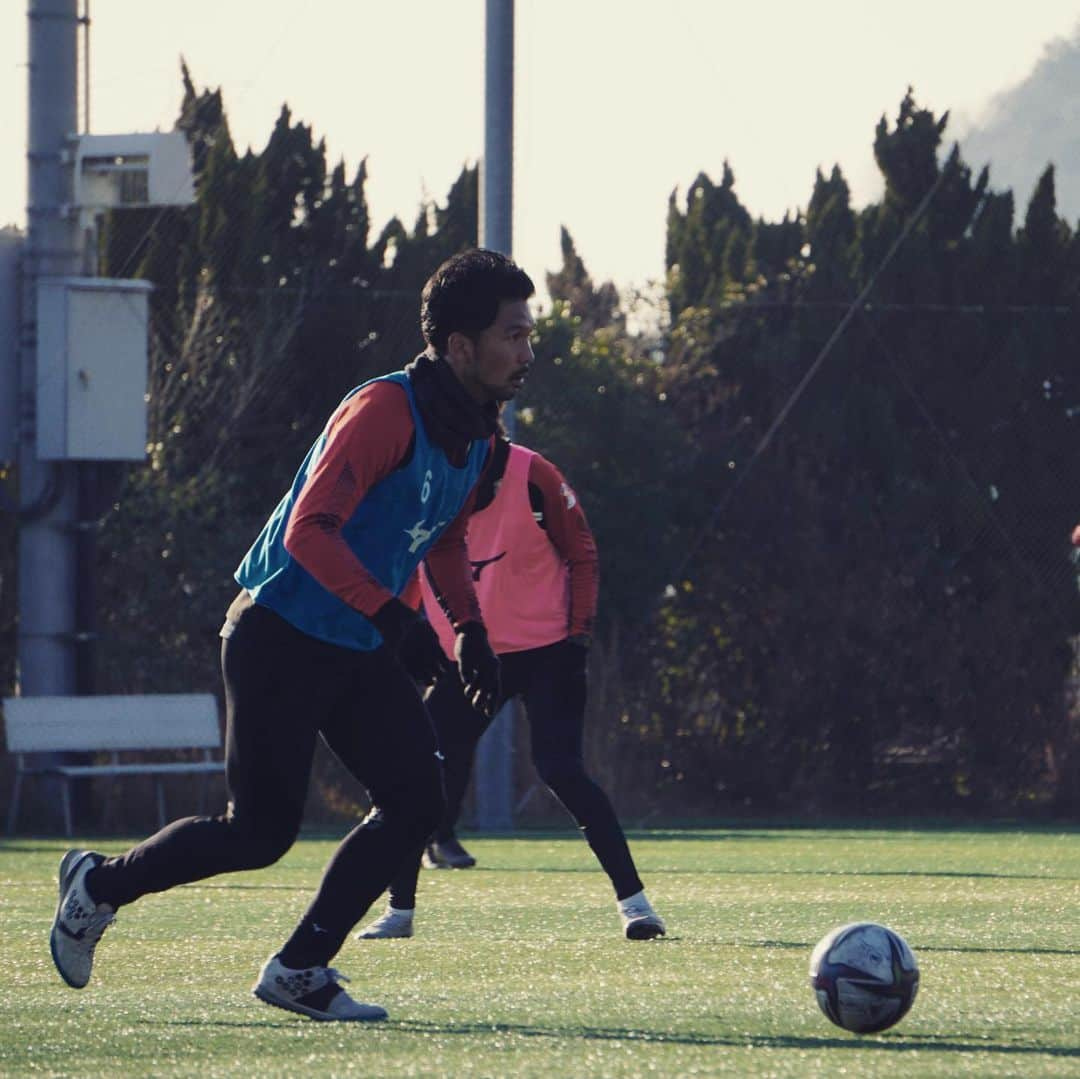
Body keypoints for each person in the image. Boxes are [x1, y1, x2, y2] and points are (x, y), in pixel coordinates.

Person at [48, 248, 536, 1022]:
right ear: (459, 346)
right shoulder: (384, 409)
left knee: (416, 800)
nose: (527, 351)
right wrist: (392, 617)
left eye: (527, 333)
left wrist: (470, 627)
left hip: (360, 643)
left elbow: (440, 537)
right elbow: (311, 530)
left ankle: (300, 967)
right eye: (512, 334)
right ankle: (98, 884)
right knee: (261, 831)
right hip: (279, 632)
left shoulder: (477, 434)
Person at [358, 433, 666, 942]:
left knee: (560, 769)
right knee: (415, 771)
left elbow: (583, 555)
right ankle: (399, 911)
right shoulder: (425, 481)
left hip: (548, 652)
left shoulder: (534, 475)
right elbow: (405, 563)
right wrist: (407, 631)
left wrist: (578, 636)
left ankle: (636, 906)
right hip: (468, 656)